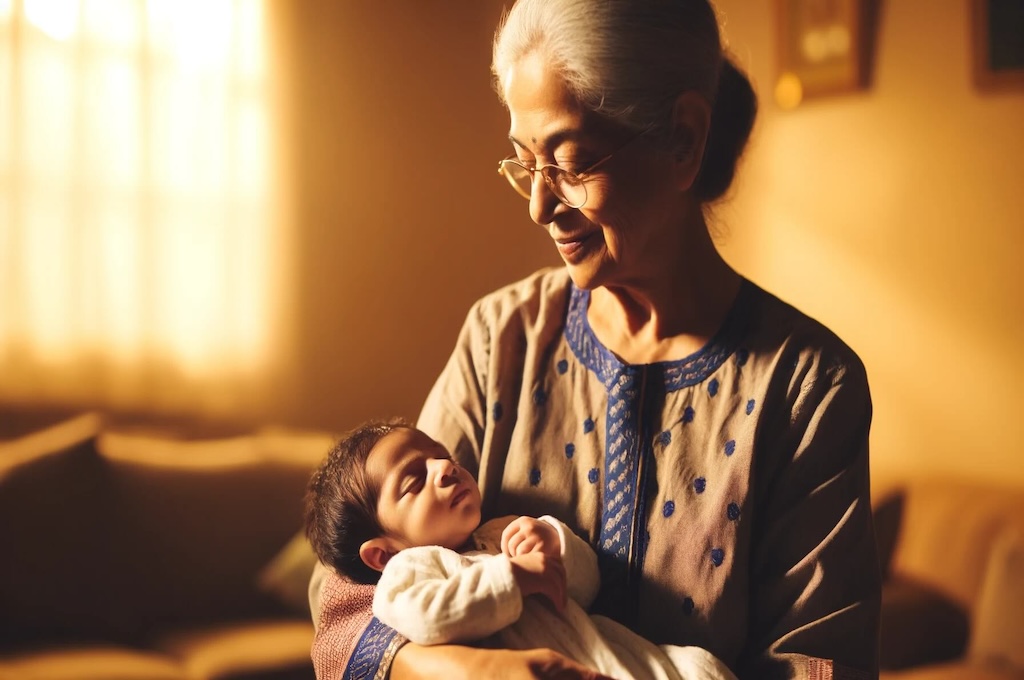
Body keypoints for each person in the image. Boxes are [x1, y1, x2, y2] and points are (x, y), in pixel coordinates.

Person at [308, 0, 881, 678]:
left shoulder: (806, 387)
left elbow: (818, 664)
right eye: (525, 163)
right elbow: (344, 594)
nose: (539, 205)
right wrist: (466, 671)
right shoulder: (503, 339)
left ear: (684, 140)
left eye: (570, 162)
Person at [305, 420, 740, 680]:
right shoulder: (407, 573)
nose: (445, 467)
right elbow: (429, 616)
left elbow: (583, 588)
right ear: (381, 554)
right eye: (415, 480)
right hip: (557, 669)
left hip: (619, 656)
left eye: (442, 456)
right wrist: (512, 577)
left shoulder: (500, 533)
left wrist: (554, 544)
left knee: (699, 667)